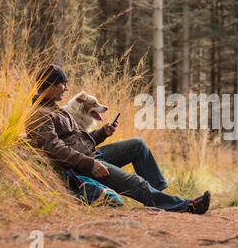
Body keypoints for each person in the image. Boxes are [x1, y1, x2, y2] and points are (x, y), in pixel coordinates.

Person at [26, 64, 210, 214]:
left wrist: (103, 133)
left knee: (138, 145)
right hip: (82, 166)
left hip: (93, 154)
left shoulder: (55, 109)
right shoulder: (39, 115)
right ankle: (187, 206)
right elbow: (56, 149)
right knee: (135, 182)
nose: (66, 88)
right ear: (50, 85)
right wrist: (89, 164)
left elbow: (77, 140)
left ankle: (158, 197)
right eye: (62, 84)